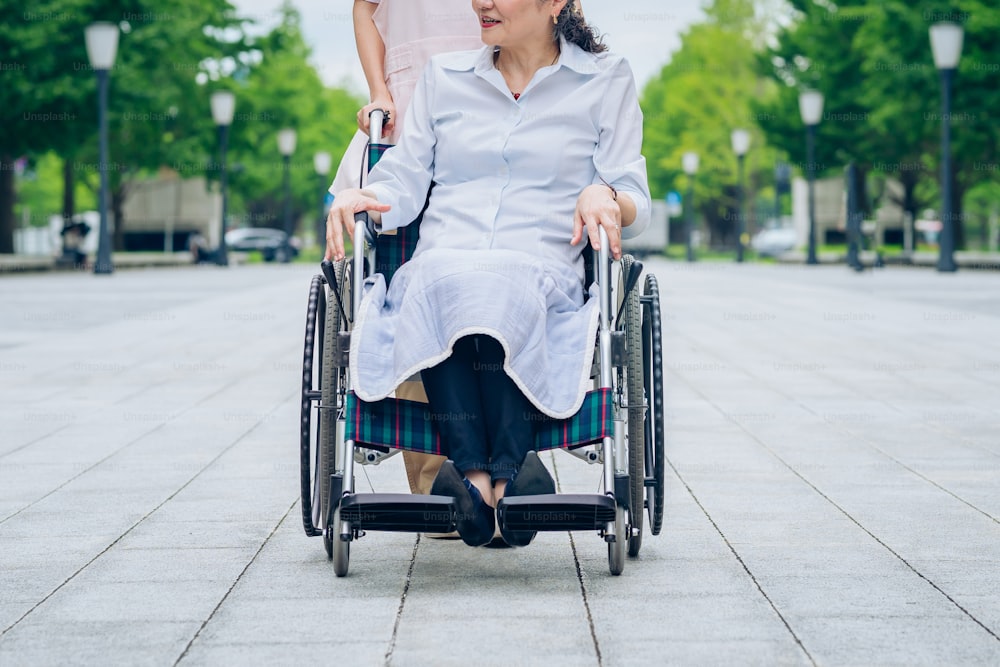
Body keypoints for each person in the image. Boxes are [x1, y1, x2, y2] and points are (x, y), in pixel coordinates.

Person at [327, 0, 649, 547]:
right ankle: (498, 477)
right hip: (443, 265)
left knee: (500, 280)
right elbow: (405, 181)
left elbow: (635, 195)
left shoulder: (604, 79)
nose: (482, 2)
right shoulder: (444, 78)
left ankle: (477, 478)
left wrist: (606, 195)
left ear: (556, 4)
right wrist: (367, 195)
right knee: (443, 278)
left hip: (543, 271)